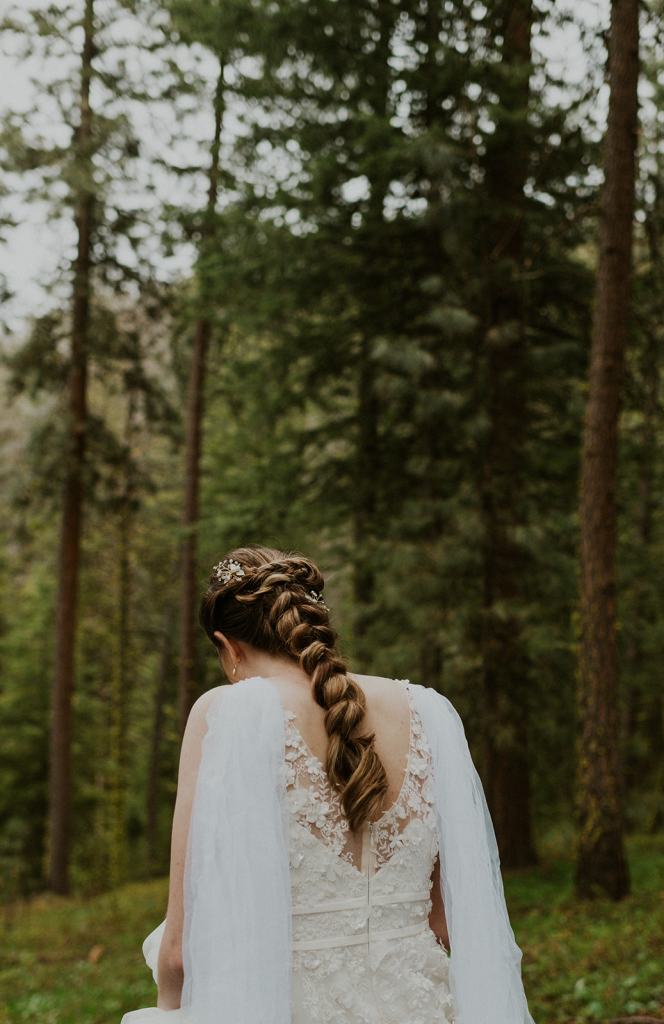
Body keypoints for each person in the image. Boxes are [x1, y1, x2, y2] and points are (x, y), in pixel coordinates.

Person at [121, 545, 536, 1024]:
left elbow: (178, 951)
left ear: (229, 647)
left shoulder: (228, 714)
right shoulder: (428, 710)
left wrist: (169, 1011)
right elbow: (446, 921)